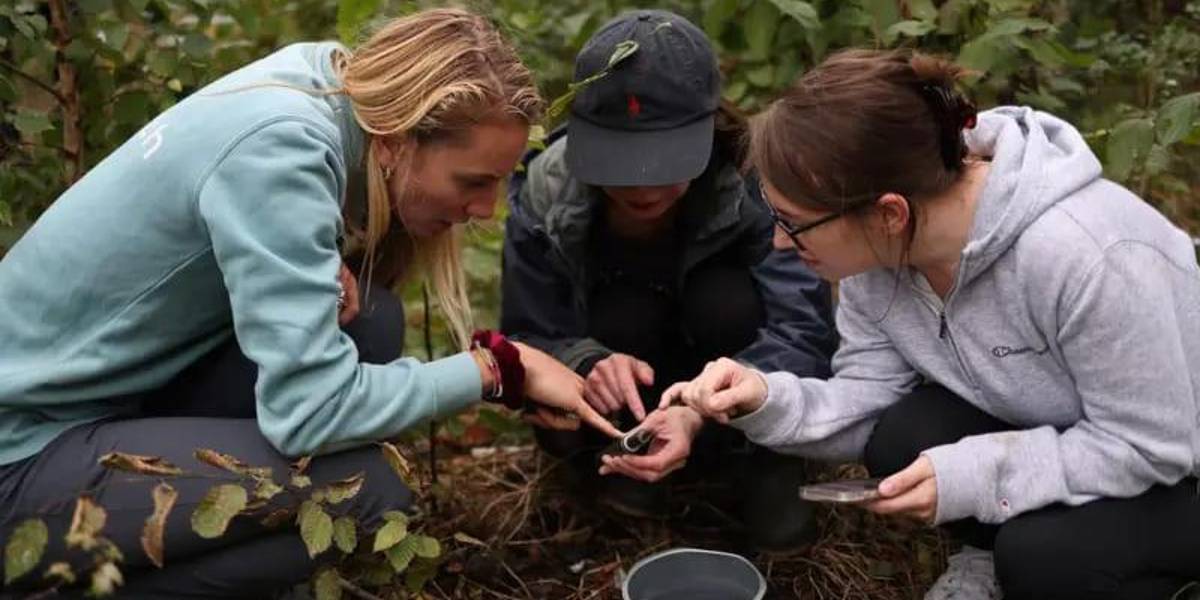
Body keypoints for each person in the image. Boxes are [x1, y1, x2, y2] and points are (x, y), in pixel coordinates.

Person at [0, 9, 620, 598]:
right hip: (20, 454)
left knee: (370, 326)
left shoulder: (325, 83)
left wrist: (322, 262)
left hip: (97, 403)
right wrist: (497, 371)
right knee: (370, 490)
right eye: (472, 181)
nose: (486, 210)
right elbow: (309, 414)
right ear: (397, 139)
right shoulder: (282, 149)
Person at [602, 48, 1200, 599]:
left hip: (1177, 467)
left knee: (1044, 558)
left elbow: (1151, 445)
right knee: (902, 434)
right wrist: (761, 398)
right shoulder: (881, 256)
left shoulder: (1088, 254)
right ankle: (990, 556)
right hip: (1073, 434)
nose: (781, 245)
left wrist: (973, 473)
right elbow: (867, 399)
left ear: (889, 212)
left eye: (795, 224)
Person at [500, 10, 837, 551]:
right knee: (621, 317)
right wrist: (584, 362)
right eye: (620, 159)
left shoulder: (757, 181)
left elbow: (804, 331)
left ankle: (760, 465)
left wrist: (702, 409)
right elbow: (524, 335)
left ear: (706, 131)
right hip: (619, 402)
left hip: (734, 388)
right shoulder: (549, 189)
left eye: (664, 159)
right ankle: (622, 465)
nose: (643, 184)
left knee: (722, 301)